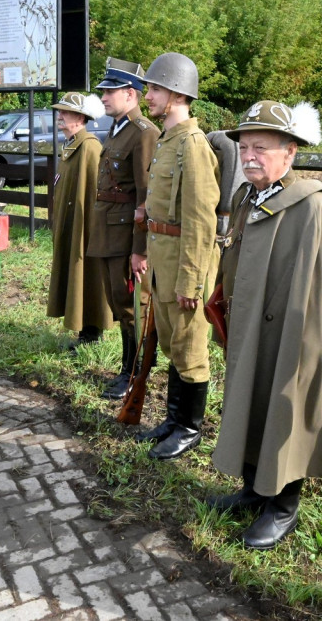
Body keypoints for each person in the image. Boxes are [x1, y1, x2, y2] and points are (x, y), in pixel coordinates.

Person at [207, 100, 322, 550]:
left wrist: (310, 347)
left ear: (290, 152)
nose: (250, 156)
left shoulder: (310, 206)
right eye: (245, 147)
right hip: (248, 326)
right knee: (250, 401)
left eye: (262, 147)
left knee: (282, 410)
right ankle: (254, 488)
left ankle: (283, 505)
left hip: (291, 334)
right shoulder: (245, 197)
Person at [137, 52, 220, 460]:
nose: (147, 95)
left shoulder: (193, 145)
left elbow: (201, 222)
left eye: (154, 88)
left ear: (176, 93)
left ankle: (189, 427)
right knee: (172, 343)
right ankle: (173, 419)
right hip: (163, 260)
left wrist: (192, 281)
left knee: (190, 349)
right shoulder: (168, 140)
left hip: (184, 267)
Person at [89, 58, 159, 399]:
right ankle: (127, 367)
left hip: (124, 236)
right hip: (107, 231)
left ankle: (133, 372)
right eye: (103, 91)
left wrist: (140, 247)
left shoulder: (145, 133)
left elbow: (145, 195)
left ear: (130, 94)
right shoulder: (118, 129)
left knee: (131, 306)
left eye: (109, 91)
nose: (103, 97)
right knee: (118, 303)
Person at [47, 92, 113, 349]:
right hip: (71, 224)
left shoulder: (89, 147)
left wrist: (90, 230)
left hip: (86, 227)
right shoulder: (73, 145)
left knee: (87, 274)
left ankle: (92, 332)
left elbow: (94, 193)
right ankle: (84, 329)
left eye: (66, 112)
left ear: (81, 117)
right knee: (75, 273)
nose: (60, 117)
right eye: (60, 112)